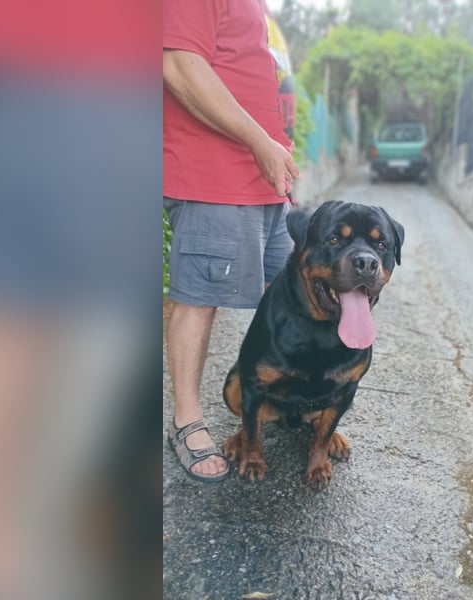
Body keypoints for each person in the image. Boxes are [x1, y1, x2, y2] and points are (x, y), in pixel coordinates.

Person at [163, 0, 299, 482]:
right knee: (198, 300)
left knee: (293, 293)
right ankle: (186, 421)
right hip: (212, 178)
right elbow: (179, 64)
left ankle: (289, 397)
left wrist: (276, 146)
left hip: (261, 182)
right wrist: (262, 142)